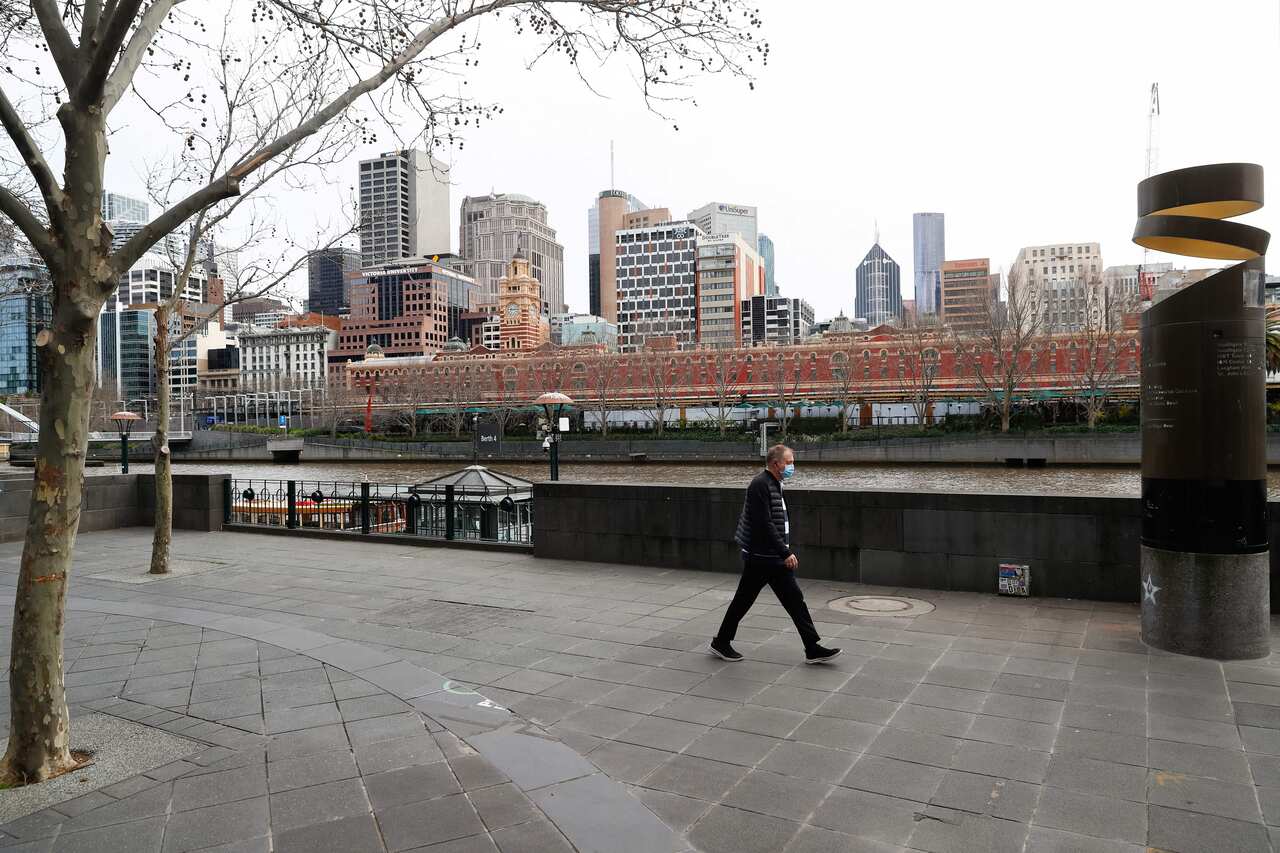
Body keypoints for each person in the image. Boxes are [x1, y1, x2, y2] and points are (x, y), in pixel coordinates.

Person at [710, 444, 842, 664]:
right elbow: (765, 524)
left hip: (769, 557)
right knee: (749, 601)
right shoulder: (760, 485)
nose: (792, 466)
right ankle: (721, 642)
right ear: (775, 463)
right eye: (789, 462)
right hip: (763, 558)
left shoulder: (773, 483)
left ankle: (811, 647)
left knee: (791, 601)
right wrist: (785, 552)